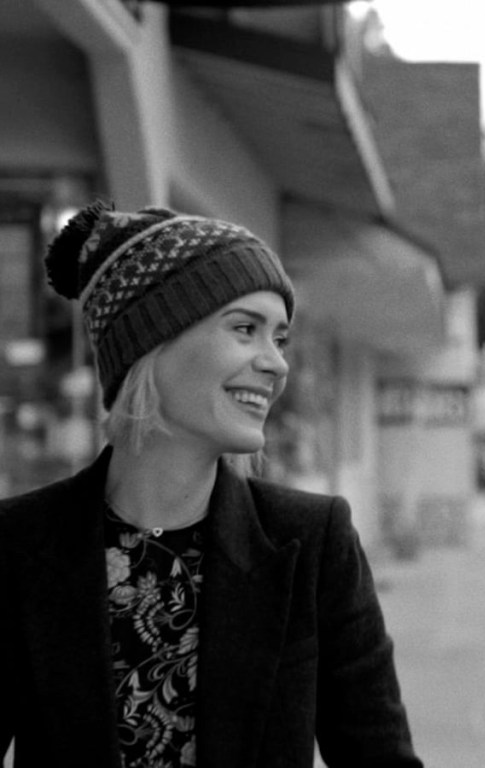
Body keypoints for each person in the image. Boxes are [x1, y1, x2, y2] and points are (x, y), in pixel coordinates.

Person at [0, 201, 422, 768]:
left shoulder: (313, 542)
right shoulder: (19, 543)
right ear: (151, 343)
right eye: (245, 329)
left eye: (280, 339)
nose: (277, 364)